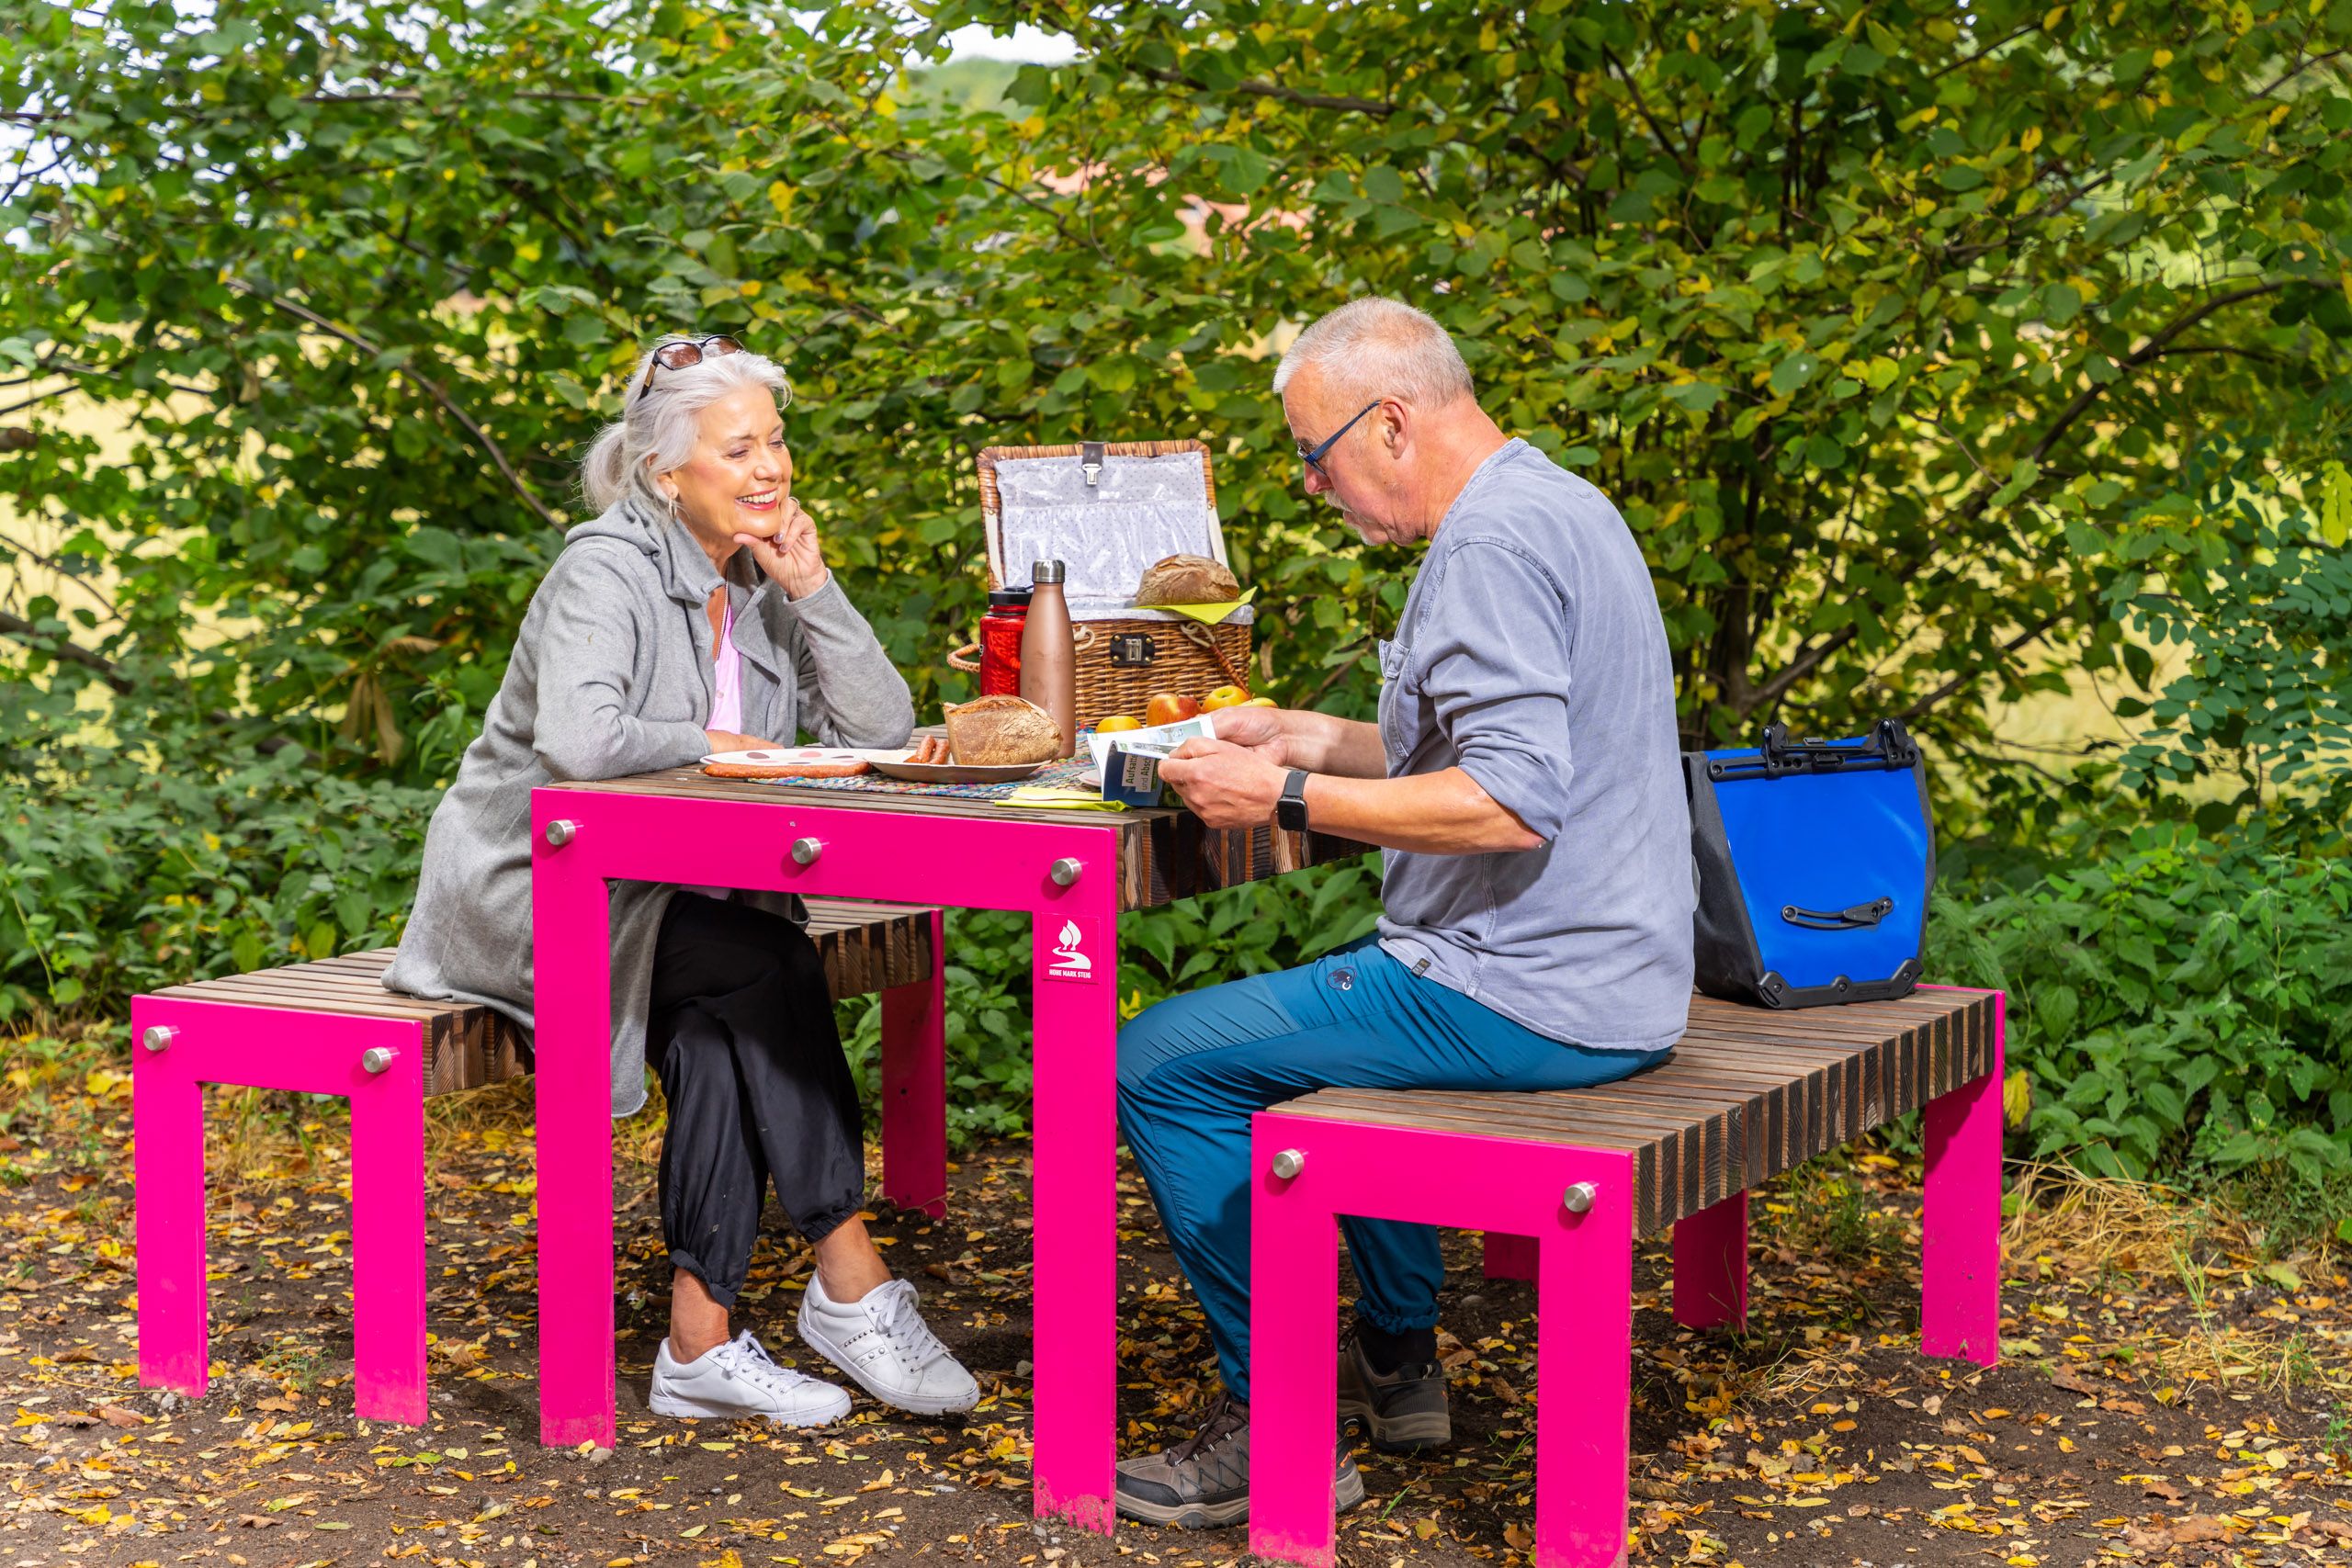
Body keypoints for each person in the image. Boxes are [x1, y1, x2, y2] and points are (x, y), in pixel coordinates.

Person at [1111, 299, 1697, 1527]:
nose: (1316, 489)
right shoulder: (1557, 502)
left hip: (1530, 989)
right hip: (1615, 969)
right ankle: (1396, 1353)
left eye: (1315, 457)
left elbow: (1507, 802)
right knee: (1327, 1017)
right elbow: (1500, 745)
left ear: (1390, 423)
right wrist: (1316, 735)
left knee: (1158, 1059)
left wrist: (1280, 792)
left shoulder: (1484, 549)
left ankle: (1279, 1428)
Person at [386, 335, 978, 1427]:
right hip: (534, 893)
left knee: (725, 1028)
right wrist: (733, 745)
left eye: (778, 441)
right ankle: (849, 1274)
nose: (771, 469)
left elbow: (884, 728)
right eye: (739, 448)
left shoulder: (754, 581)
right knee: (768, 965)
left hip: (667, 895)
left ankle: (698, 1346)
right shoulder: (601, 570)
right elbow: (580, 738)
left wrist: (816, 589)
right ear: (666, 473)